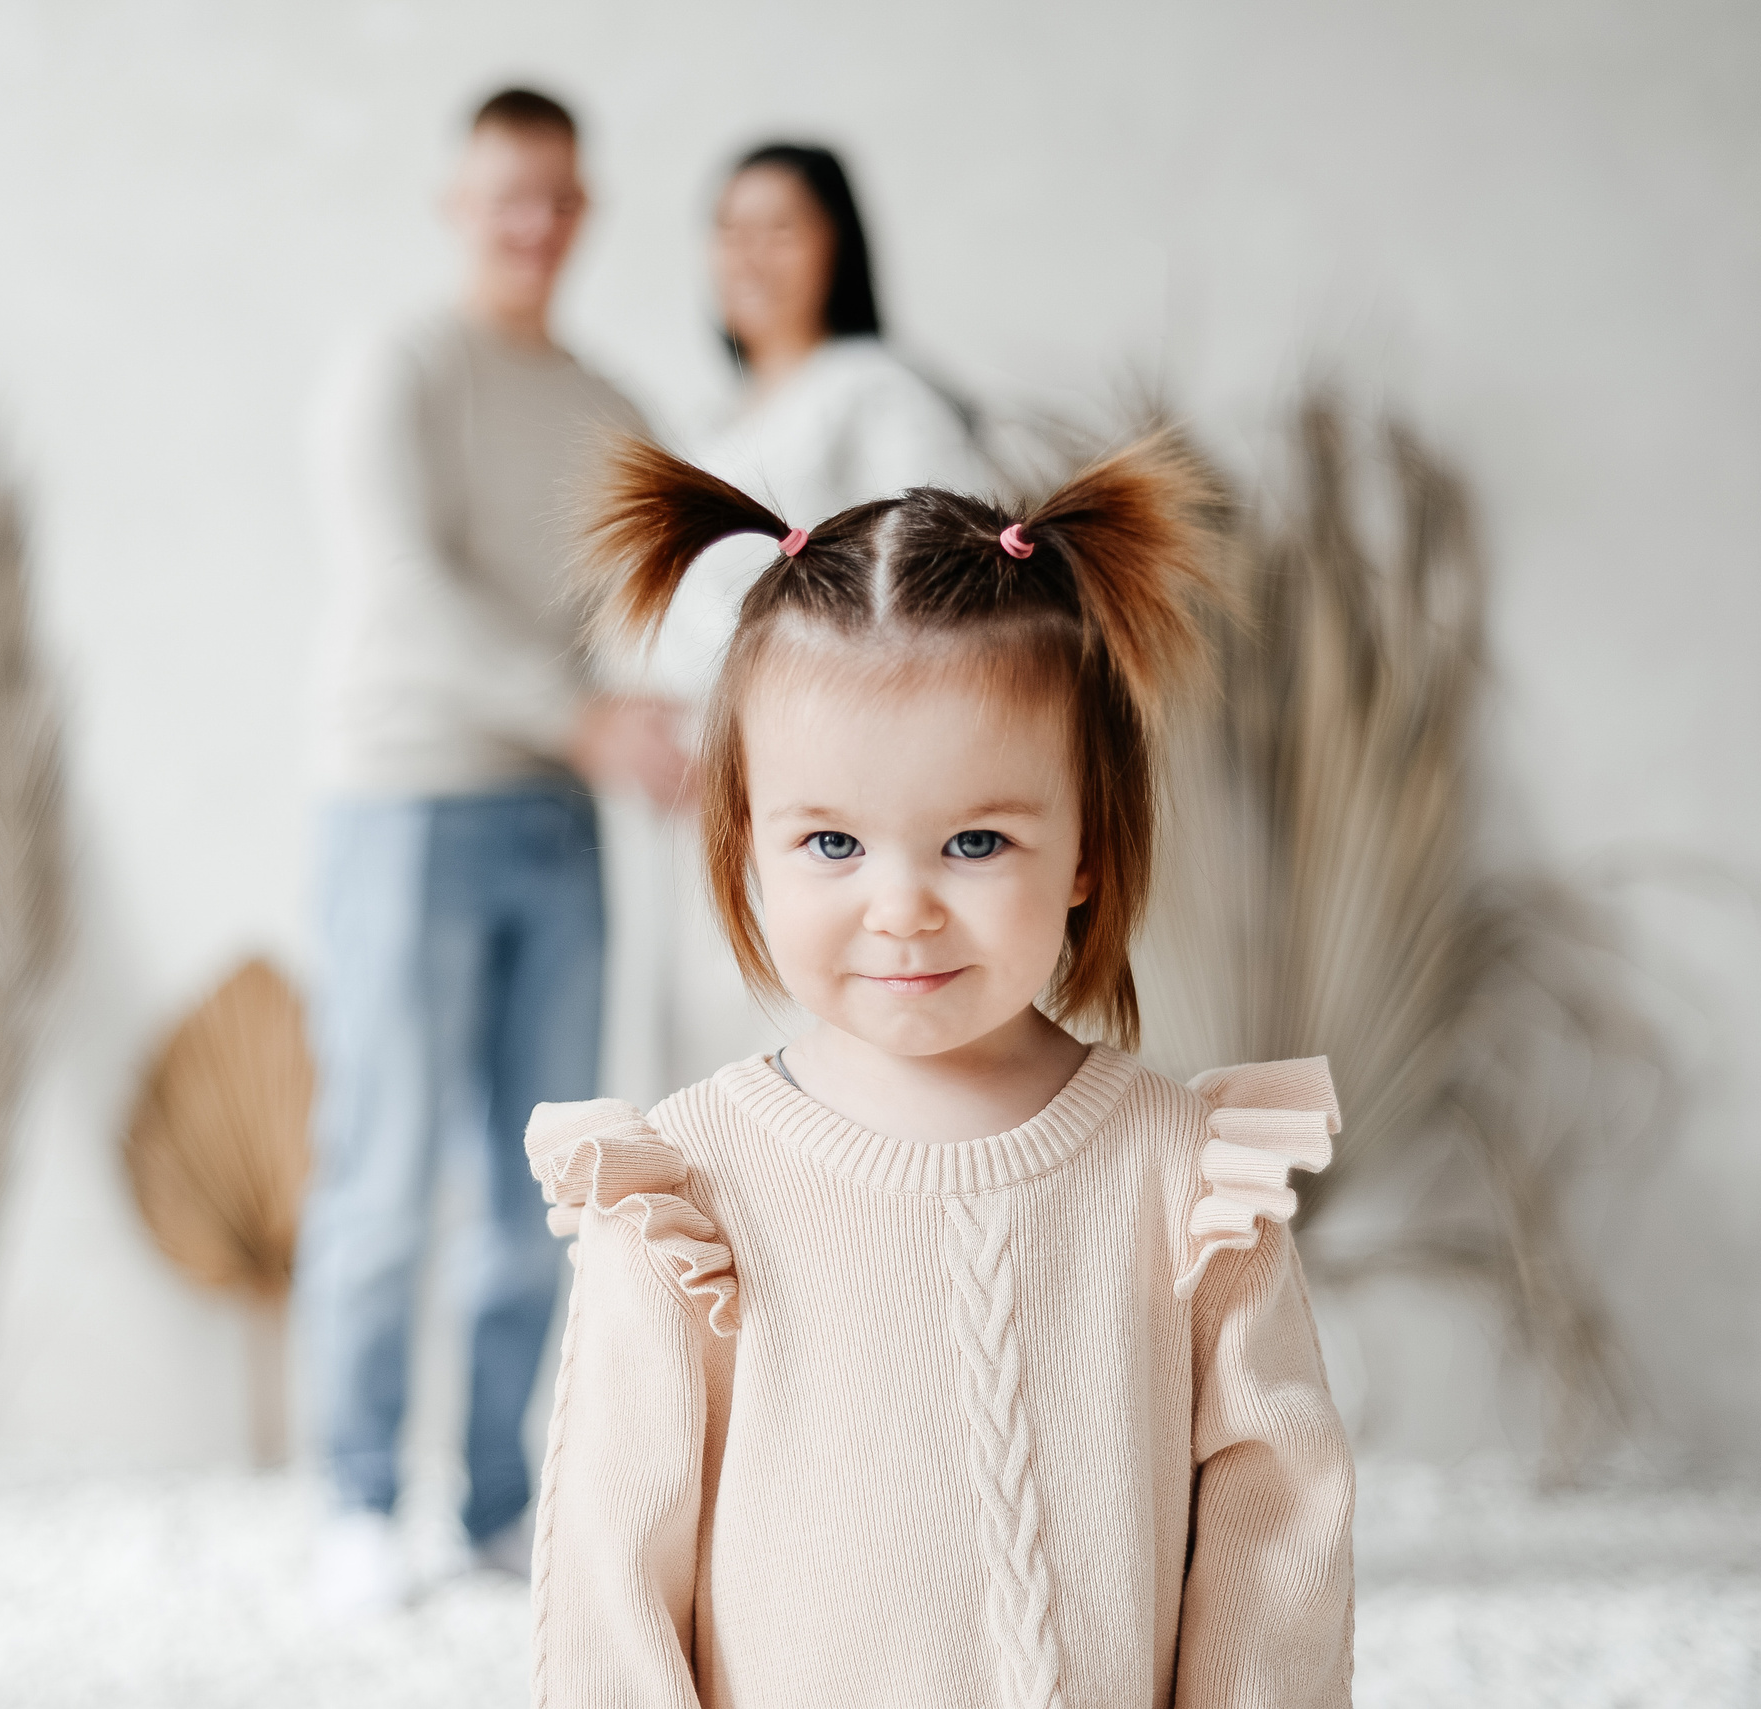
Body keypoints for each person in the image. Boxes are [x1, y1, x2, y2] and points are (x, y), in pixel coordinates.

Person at [523, 438, 1358, 1703]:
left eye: (974, 840)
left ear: (1087, 844)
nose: (901, 906)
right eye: (831, 842)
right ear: (745, 844)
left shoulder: (1189, 1178)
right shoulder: (683, 1193)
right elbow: (613, 1574)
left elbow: (1274, 1532)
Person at [296, 87, 685, 1621]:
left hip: (560, 817)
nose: (536, 224)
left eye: (562, 198)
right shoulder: (397, 370)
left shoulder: (611, 403)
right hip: (404, 803)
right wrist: (584, 718)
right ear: (458, 203)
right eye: (509, 195)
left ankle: (492, 1506)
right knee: (386, 1173)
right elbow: (399, 590)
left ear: (586, 214)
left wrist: (681, 728)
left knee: (544, 1186)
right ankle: (356, 1502)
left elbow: (641, 610)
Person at [608, 143, 992, 1101]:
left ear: (839, 246)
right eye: (729, 230)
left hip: (815, 801)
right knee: (714, 1081)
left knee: (816, 1068)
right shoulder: (706, 426)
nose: (750, 254)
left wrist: (779, 746)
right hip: (693, 820)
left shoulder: (876, 391)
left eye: (780, 228)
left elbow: (946, 592)